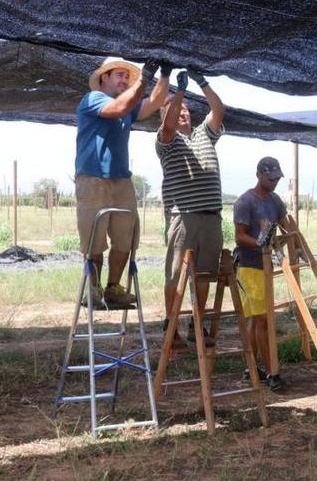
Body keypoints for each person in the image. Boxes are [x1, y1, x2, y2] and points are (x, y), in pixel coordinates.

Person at [76, 58, 170, 306]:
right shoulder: (93, 99)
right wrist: (145, 78)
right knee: (94, 240)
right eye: (120, 75)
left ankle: (113, 288)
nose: (125, 80)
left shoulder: (127, 107)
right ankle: (93, 289)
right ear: (104, 77)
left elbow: (155, 103)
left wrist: (165, 76)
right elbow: (117, 108)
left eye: (127, 77)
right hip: (93, 178)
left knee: (124, 238)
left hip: (121, 180)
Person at [156, 69, 225, 345]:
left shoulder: (205, 134)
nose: (182, 112)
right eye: (175, 109)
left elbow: (219, 110)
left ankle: (197, 326)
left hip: (211, 218)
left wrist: (202, 82)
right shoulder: (166, 141)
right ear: (163, 116)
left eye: (185, 109)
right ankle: (171, 329)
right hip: (183, 218)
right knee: (176, 275)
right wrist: (179, 91)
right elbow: (170, 125)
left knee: (205, 274)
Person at [233, 157, 288, 390]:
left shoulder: (276, 201)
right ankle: (270, 370)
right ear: (259, 175)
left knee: (258, 320)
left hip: (266, 267)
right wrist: (261, 244)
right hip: (248, 267)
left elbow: (287, 226)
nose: (274, 182)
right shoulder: (246, 201)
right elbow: (239, 236)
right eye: (270, 178)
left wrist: (291, 243)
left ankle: (250, 366)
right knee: (263, 320)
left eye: (277, 178)